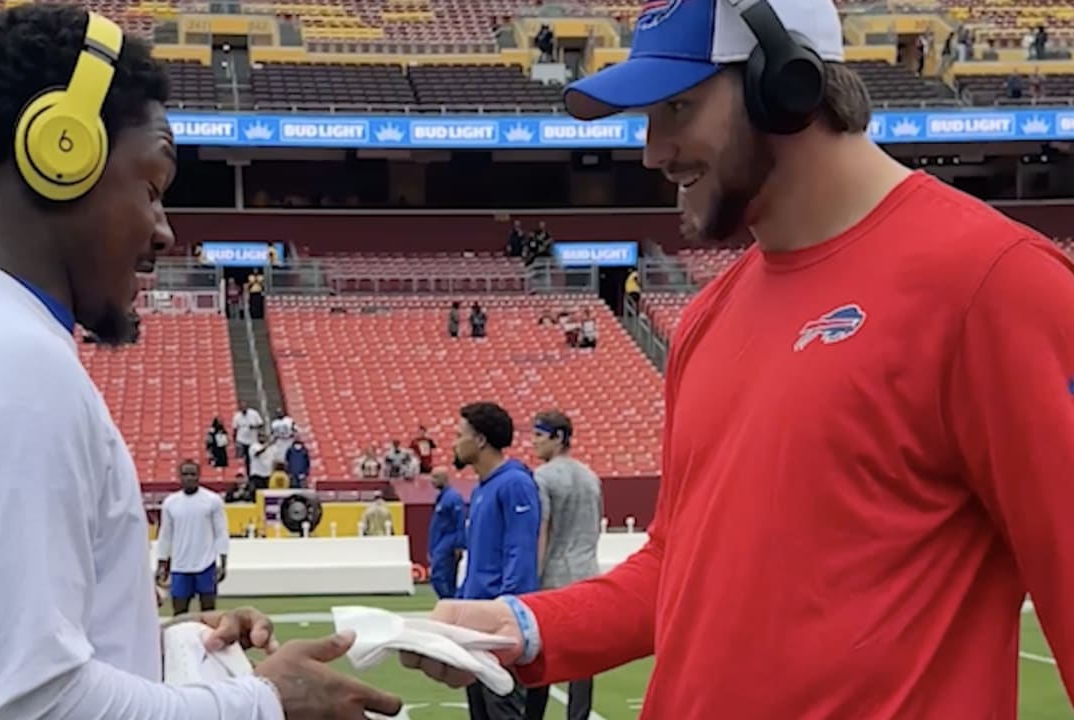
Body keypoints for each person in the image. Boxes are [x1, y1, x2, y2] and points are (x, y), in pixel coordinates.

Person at [399, 0, 1074, 716]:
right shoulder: (707, 318)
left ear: (785, 85)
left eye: (679, 108)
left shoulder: (992, 284)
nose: (652, 151)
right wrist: (524, 627)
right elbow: (678, 570)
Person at [0, 8, 403, 719]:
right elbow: (25, 706)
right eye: (150, 187)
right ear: (62, 152)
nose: (166, 231)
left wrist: (158, 649)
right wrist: (266, 703)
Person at [453, 402, 540, 720]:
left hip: (497, 623)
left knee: (502, 710)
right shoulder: (481, 489)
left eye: (459, 434)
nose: (454, 442)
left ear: (480, 440)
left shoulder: (514, 484)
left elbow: (521, 554)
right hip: (476, 621)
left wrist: (505, 611)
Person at [524, 411, 602, 720]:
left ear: (558, 437)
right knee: (582, 664)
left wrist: (533, 578)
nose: (534, 442)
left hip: (554, 577)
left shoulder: (543, 477)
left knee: (541, 658)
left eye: (539, 436)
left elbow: (542, 529)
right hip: (586, 573)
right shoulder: (591, 477)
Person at [157, 460, 229, 616]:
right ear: (179, 477)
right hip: (180, 566)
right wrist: (161, 563)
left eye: (192, 474)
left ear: (199, 476)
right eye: (185, 474)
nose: (189, 478)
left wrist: (223, 562)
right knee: (179, 612)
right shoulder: (170, 503)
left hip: (206, 564)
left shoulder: (212, 500)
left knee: (209, 612)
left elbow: (221, 532)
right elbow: (166, 535)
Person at [426, 467, 466, 600]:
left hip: (448, 542)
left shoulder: (453, 497)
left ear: (445, 478)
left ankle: (449, 601)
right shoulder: (441, 497)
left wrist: (459, 544)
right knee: (446, 577)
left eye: (436, 477)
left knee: (440, 576)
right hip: (439, 542)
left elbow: (460, 522)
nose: (432, 481)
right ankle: (452, 602)